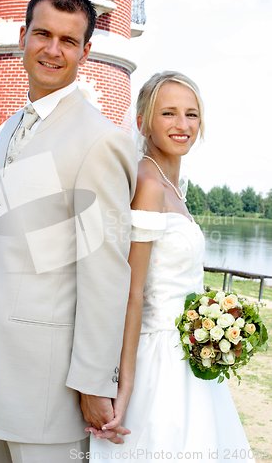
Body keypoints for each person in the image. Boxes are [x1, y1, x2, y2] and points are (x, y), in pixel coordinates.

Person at [0, 0, 137, 463]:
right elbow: (29, 249)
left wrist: (95, 382)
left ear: (86, 51)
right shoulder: (11, 126)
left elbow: (103, 272)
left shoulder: (100, 140)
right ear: (22, 36)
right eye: (43, 34)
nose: (53, 50)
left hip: (43, 390)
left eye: (68, 41)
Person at [89, 71, 255, 462]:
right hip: (157, 359)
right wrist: (124, 386)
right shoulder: (147, 183)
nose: (182, 125)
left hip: (188, 356)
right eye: (168, 113)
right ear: (143, 120)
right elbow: (132, 293)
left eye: (191, 114)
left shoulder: (173, 185)